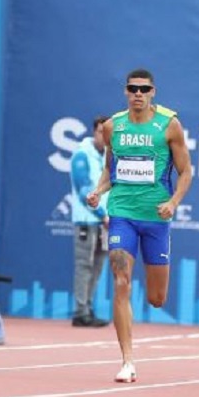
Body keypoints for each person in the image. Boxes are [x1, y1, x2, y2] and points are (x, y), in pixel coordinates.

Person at [86, 69, 193, 383]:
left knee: (157, 298)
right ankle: (127, 361)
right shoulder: (112, 127)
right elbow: (110, 171)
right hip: (121, 214)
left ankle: (153, 300)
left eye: (144, 89)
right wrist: (98, 191)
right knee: (121, 282)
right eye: (132, 88)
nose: (138, 94)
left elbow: (186, 172)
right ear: (125, 91)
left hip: (156, 219)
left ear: (153, 92)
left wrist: (173, 202)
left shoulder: (169, 125)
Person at [69, 114, 111, 328]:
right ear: (94, 132)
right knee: (84, 266)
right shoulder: (82, 155)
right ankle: (80, 311)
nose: (104, 136)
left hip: (105, 222)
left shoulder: (109, 157)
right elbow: (84, 190)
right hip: (88, 221)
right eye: (100, 131)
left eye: (108, 132)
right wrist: (102, 214)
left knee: (97, 267)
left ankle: (88, 307)